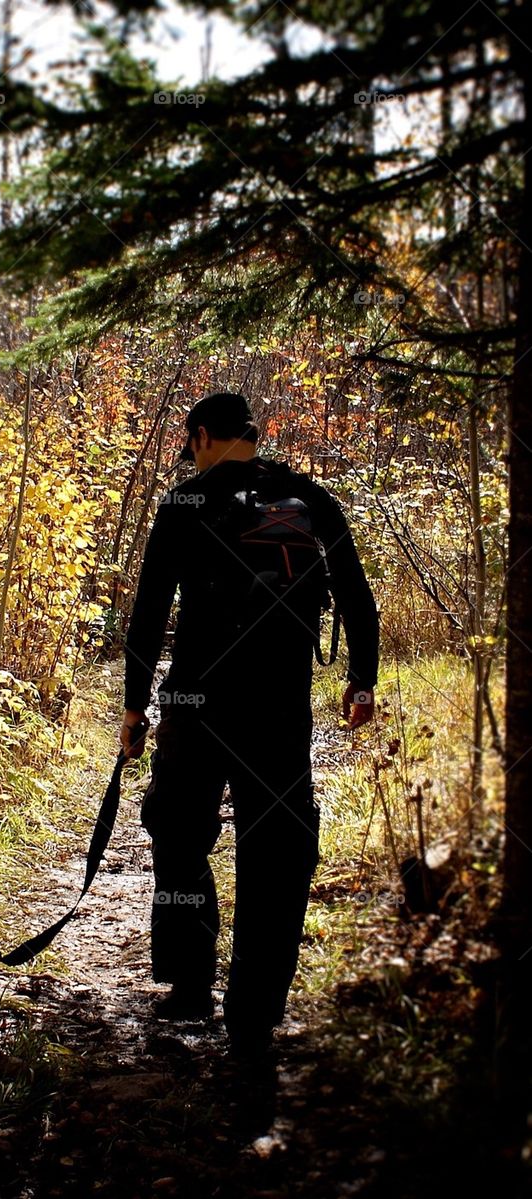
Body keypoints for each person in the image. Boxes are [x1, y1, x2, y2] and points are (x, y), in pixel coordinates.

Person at [119, 392, 379, 1058]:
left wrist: (134, 706)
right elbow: (355, 594)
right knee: (276, 859)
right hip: (280, 714)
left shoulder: (182, 504)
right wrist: (362, 680)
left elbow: (149, 612)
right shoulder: (308, 497)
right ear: (253, 437)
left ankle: (188, 987)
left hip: (195, 707)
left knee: (180, 837)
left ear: (203, 437)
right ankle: (255, 1014)